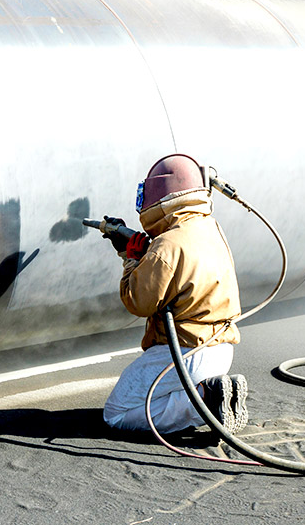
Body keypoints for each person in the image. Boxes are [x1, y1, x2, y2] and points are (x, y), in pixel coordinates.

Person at [101, 153, 251, 434]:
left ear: (159, 197)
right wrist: (144, 256)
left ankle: (205, 400)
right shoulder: (209, 227)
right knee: (154, 399)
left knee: (117, 413)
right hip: (219, 350)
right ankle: (211, 394)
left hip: (186, 352)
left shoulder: (167, 244)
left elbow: (139, 302)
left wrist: (130, 260)